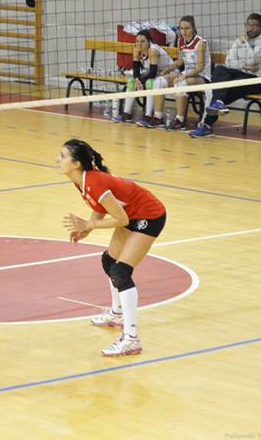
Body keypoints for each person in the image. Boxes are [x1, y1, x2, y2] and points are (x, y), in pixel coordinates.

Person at [59, 139, 167, 357]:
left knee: (121, 271)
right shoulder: (82, 181)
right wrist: (87, 229)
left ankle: (131, 339)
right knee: (109, 261)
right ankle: (117, 314)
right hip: (133, 215)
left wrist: (89, 224)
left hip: (149, 216)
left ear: (76, 163)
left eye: (62, 156)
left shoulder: (93, 182)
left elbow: (121, 218)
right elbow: (101, 207)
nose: (57, 160)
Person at [190, 13, 261, 138]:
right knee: (219, 69)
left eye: (254, 25)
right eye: (248, 25)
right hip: (240, 74)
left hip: (256, 80)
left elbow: (252, 59)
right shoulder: (239, 40)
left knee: (214, 91)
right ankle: (217, 105)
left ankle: (206, 124)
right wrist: (244, 66)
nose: (250, 28)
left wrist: (244, 43)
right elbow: (228, 61)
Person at [139, 15, 210, 130]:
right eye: (181, 28)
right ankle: (158, 117)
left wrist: (184, 75)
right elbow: (180, 61)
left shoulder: (200, 42)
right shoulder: (180, 41)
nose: (184, 31)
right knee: (159, 82)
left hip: (202, 77)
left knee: (180, 84)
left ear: (193, 28)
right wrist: (168, 69)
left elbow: (200, 68)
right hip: (186, 74)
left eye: (187, 28)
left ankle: (180, 120)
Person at [112, 30, 165, 124]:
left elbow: (153, 72)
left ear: (149, 41)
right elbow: (136, 67)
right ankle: (126, 113)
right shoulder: (136, 49)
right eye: (137, 41)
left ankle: (148, 116)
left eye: (143, 41)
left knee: (149, 82)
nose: (139, 44)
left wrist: (141, 81)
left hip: (165, 73)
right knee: (131, 81)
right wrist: (137, 80)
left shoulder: (153, 50)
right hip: (153, 74)